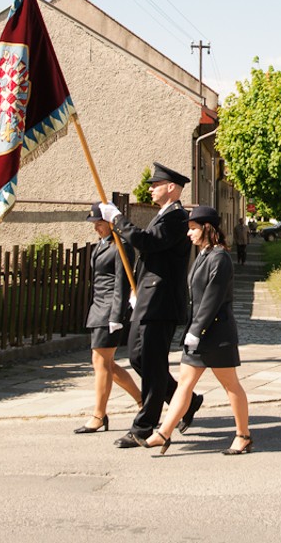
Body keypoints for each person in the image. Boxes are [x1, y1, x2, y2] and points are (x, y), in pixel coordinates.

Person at [99, 162, 202, 448]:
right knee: (138, 358)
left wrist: (118, 220)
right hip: (148, 298)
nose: (150, 188)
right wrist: (138, 292)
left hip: (162, 302)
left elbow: (147, 243)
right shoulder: (163, 215)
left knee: (153, 365)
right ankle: (188, 403)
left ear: (171, 187)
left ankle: (143, 428)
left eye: (155, 184)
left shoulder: (177, 218)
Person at [143, 206, 252, 455]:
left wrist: (196, 330)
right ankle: (163, 433)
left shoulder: (220, 258)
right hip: (199, 335)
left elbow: (212, 300)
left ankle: (243, 435)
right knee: (184, 385)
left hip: (217, 335)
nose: (189, 233)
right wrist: (191, 330)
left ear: (206, 228)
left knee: (231, 386)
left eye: (193, 228)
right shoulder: (203, 255)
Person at [74, 203, 143, 434]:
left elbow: (121, 283)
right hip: (98, 309)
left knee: (101, 363)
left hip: (109, 311)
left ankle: (98, 415)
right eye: (94, 224)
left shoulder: (121, 247)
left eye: (100, 223)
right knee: (108, 365)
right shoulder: (102, 245)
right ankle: (142, 401)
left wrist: (117, 315)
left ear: (111, 222)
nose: (96, 228)